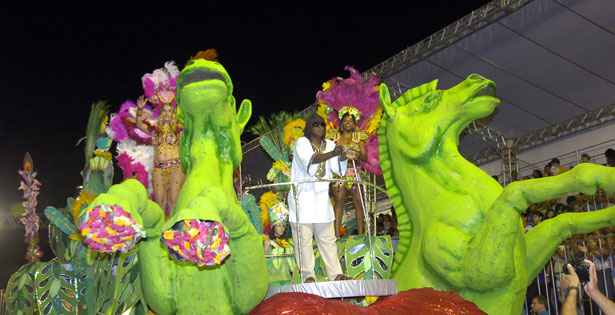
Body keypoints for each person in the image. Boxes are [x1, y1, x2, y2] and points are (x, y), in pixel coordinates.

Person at [288, 114, 348, 283]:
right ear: (308, 127)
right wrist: (333, 153)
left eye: (322, 124)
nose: (320, 127)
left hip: (322, 200)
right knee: (304, 241)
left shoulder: (329, 144)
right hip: (302, 200)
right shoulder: (301, 143)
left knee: (328, 240)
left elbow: (339, 169)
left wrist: (343, 154)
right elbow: (311, 161)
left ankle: (336, 274)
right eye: (315, 124)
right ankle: (308, 276)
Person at [332, 112, 367, 237]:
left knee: (358, 201)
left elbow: (365, 156)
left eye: (350, 121)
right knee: (339, 201)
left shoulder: (358, 137)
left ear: (354, 123)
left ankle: (361, 234)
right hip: (340, 173)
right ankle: (336, 235)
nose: (348, 123)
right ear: (341, 123)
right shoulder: (335, 137)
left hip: (355, 171)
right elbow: (331, 155)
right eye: (345, 120)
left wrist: (355, 154)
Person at [152, 97, 185, 217]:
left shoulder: (179, 129)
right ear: (161, 113)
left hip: (176, 168)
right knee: (159, 202)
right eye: (164, 111)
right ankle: (159, 231)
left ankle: (172, 231)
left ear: (173, 114)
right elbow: (140, 125)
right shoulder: (155, 130)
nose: (166, 113)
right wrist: (140, 110)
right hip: (158, 169)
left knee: (173, 201)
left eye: (169, 111)